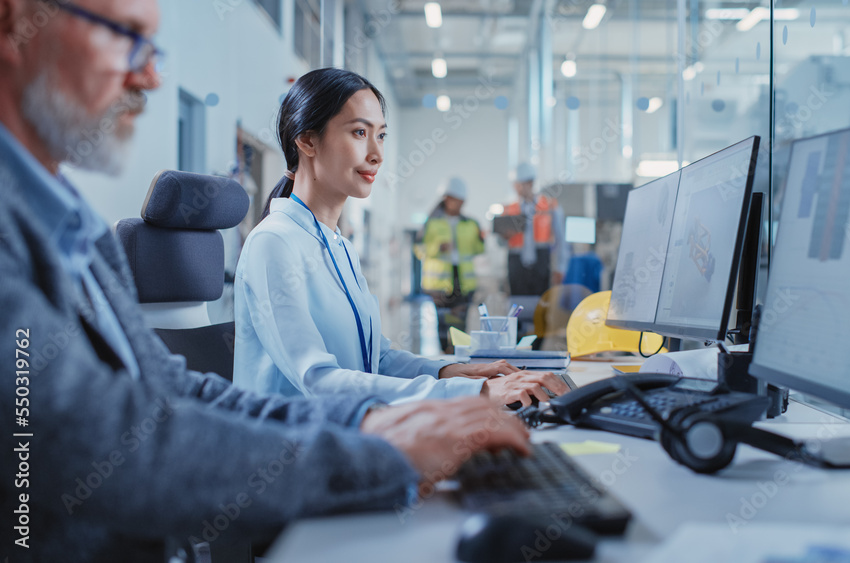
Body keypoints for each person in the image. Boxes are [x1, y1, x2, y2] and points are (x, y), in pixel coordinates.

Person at [0, 1, 530, 560]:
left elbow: (179, 392)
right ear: (14, 19)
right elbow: (95, 446)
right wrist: (386, 448)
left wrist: (405, 410)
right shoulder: (273, 243)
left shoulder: (77, 233)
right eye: (125, 36)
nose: (151, 75)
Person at [233, 68, 569, 406]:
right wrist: (476, 393)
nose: (376, 154)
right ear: (307, 141)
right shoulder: (274, 243)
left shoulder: (339, 248)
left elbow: (377, 360)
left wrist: (451, 371)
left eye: (380, 136)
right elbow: (319, 381)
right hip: (297, 449)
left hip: (348, 435)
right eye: (359, 132)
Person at [418, 177, 484, 352]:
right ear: (446, 198)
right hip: (439, 283)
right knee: (443, 323)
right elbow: (419, 249)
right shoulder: (431, 223)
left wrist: (485, 238)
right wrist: (437, 248)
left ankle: (459, 357)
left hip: (463, 281)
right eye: (457, 200)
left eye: (462, 201)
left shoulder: (471, 224)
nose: (460, 205)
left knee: (460, 323)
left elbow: (479, 249)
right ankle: (444, 358)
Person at [499, 162, 571, 296]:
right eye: (516, 185)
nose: (518, 189)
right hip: (516, 263)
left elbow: (561, 240)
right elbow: (500, 242)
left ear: (530, 183)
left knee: (540, 306)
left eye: (521, 185)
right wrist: (504, 237)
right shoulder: (509, 208)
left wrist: (561, 267)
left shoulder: (549, 205)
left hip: (541, 261)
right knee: (518, 305)